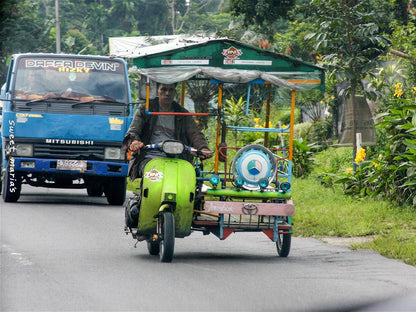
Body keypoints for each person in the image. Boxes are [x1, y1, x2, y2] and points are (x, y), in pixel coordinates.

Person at [122, 82, 213, 228]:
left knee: (190, 181)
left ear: (175, 93)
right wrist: (135, 141)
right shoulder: (146, 109)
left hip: (178, 158)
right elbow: (134, 129)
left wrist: (203, 148)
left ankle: (190, 206)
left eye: (171, 90)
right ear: (157, 91)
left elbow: (195, 133)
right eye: (163, 89)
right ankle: (141, 205)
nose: (167, 93)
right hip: (150, 157)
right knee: (151, 181)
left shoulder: (182, 113)